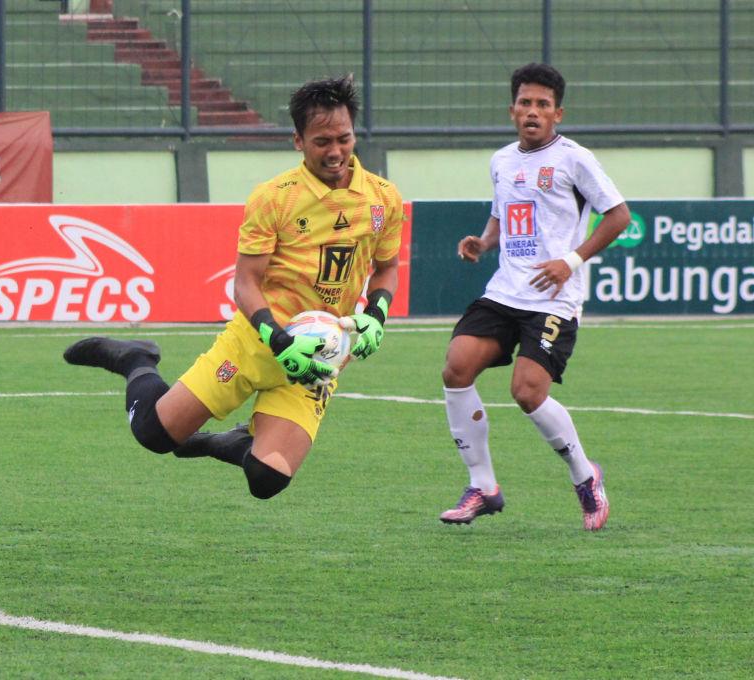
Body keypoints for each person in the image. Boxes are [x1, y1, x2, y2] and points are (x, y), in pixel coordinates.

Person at [63, 75, 403, 499]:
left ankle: (228, 442)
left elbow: (387, 268)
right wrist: (278, 341)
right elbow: (245, 284)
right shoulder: (274, 198)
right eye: (322, 142)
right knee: (153, 433)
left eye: (343, 138)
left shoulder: (382, 198)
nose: (335, 152)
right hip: (256, 342)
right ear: (298, 141)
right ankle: (135, 359)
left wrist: (377, 315)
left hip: (316, 358)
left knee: (268, 479)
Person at [438, 63, 630, 531]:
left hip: (553, 298)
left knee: (526, 391)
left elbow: (619, 215)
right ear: (512, 109)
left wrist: (572, 260)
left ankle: (586, 477)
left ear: (557, 114)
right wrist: (484, 242)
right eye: (525, 102)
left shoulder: (575, 159)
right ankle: (483, 487)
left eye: (543, 104)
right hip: (505, 291)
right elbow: (504, 216)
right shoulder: (501, 160)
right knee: (456, 366)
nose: (533, 111)